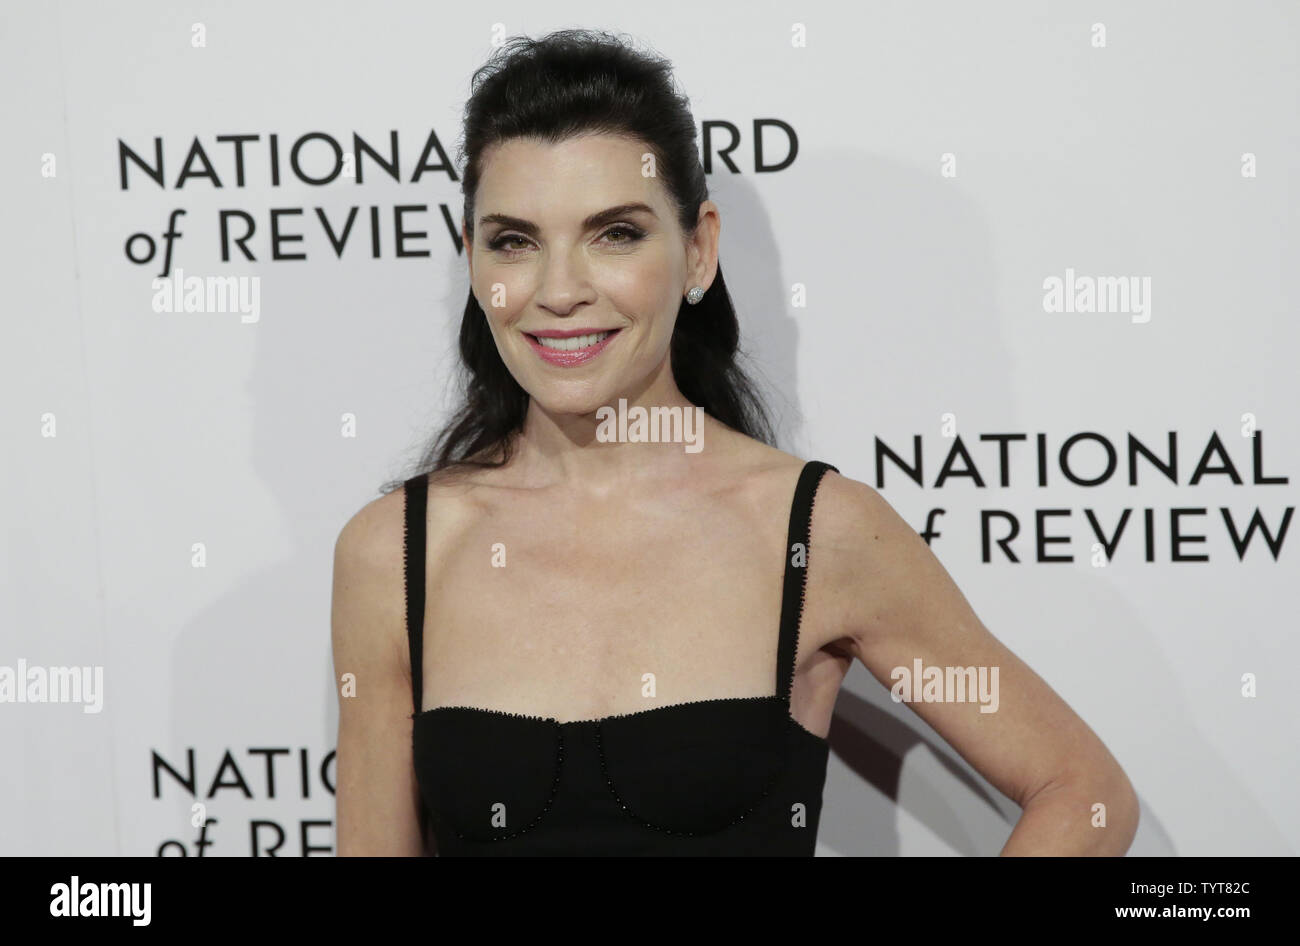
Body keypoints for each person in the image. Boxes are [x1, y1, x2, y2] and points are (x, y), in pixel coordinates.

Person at [331, 29, 1138, 856]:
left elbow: (1084, 795)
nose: (560, 290)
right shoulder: (395, 555)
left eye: (615, 234)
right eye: (514, 241)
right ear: (471, 260)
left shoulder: (815, 534)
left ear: (699, 249)